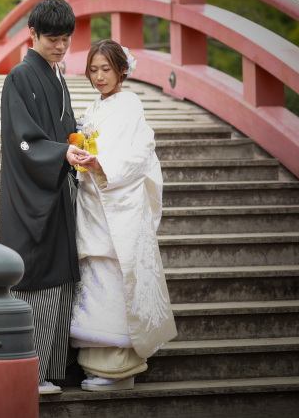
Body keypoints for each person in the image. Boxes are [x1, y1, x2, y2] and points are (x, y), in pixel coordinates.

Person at [70, 39, 177, 391]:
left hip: (117, 200)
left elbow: (140, 152)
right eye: (93, 69)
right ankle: (96, 366)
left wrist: (102, 163)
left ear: (122, 71)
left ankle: (121, 370)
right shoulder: (95, 106)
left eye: (106, 69)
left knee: (116, 277)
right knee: (95, 278)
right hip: (94, 201)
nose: (99, 76)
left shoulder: (130, 104)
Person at [0, 0, 90, 395]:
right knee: (34, 274)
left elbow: (64, 127)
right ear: (31, 34)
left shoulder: (56, 75)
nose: (60, 47)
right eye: (52, 39)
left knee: (60, 276)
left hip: (57, 187)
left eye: (66, 40)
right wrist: (59, 152)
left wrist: (78, 143)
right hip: (33, 189)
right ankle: (27, 372)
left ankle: (49, 369)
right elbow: (24, 139)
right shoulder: (20, 77)